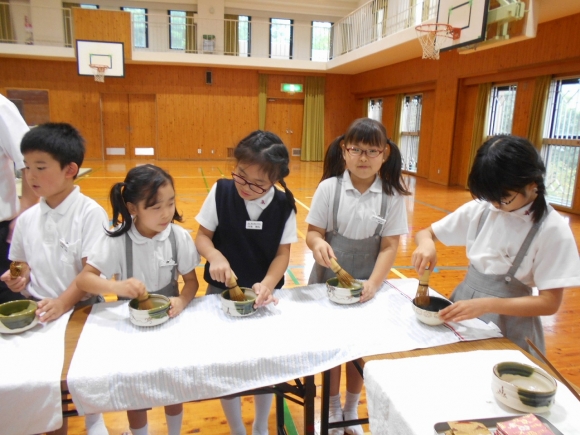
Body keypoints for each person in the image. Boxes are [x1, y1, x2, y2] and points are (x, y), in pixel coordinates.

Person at [412, 135, 580, 356]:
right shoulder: (483, 209)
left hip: (511, 324)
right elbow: (426, 233)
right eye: (490, 198)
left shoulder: (552, 229)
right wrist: (426, 245)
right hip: (465, 310)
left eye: (504, 198)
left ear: (533, 185)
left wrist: (487, 305)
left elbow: (549, 303)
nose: (495, 206)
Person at [0, 122, 109, 435]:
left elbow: (91, 272)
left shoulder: (89, 213)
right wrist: (18, 277)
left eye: (40, 167)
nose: (30, 176)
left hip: (82, 310)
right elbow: (20, 262)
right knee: (47, 394)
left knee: (81, 379)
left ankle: (94, 420)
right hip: (40, 312)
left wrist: (63, 303)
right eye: (26, 167)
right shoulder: (27, 218)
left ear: (69, 169)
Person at [77, 164, 200, 435]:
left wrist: (181, 301)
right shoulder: (118, 240)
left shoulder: (178, 237)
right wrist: (116, 285)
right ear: (133, 208)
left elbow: (191, 282)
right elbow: (84, 280)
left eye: (170, 203)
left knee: (173, 383)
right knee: (135, 388)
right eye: (155, 207)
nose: (166, 213)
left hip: (169, 320)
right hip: (130, 323)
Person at [306, 117, 410, 435]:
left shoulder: (391, 195)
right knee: (333, 347)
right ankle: (333, 409)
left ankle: (351, 407)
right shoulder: (329, 188)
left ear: (385, 154)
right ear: (344, 150)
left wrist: (374, 284)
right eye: (356, 149)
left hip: (369, 281)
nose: (363, 158)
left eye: (372, 151)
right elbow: (313, 233)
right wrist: (319, 244)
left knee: (359, 349)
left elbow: (390, 245)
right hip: (328, 279)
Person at [195, 130, 297, 435]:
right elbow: (202, 236)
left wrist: (268, 283)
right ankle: (237, 428)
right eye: (241, 175)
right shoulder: (222, 191)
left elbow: (282, 254)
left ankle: (260, 426)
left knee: (263, 366)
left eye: (257, 183)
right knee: (228, 367)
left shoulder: (283, 205)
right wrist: (214, 256)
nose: (246, 187)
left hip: (262, 297)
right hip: (220, 295)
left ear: (275, 180)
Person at [0, 94, 37, 304]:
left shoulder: (1, 107)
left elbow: (28, 159)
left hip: (4, 227)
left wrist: (25, 211)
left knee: (9, 293)